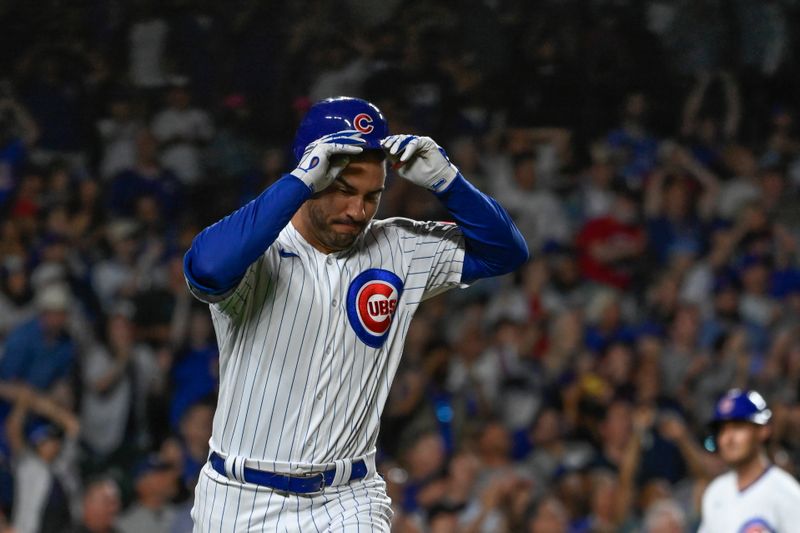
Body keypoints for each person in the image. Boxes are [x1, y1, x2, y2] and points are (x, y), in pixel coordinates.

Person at [183, 96, 528, 530]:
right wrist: (299, 182)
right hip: (240, 498)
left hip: (348, 497)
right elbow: (206, 269)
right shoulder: (257, 251)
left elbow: (506, 253)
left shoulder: (398, 246)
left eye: (371, 196)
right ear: (311, 171)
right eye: (343, 190)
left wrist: (448, 181)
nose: (358, 211)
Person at [699, 389, 800, 532]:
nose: (729, 438)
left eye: (738, 427)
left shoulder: (786, 492)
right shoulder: (715, 491)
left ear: (763, 430)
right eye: (722, 430)